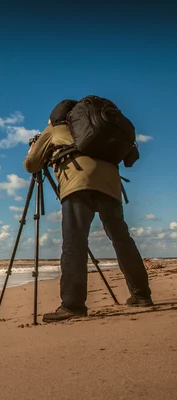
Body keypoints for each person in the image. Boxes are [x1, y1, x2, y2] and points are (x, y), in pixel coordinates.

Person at [23, 99, 153, 322]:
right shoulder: (90, 128)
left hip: (78, 182)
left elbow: (31, 164)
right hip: (111, 184)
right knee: (122, 240)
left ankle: (72, 306)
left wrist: (35, 148)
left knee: (75, 242)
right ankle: (142, 295)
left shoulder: (55, 129)